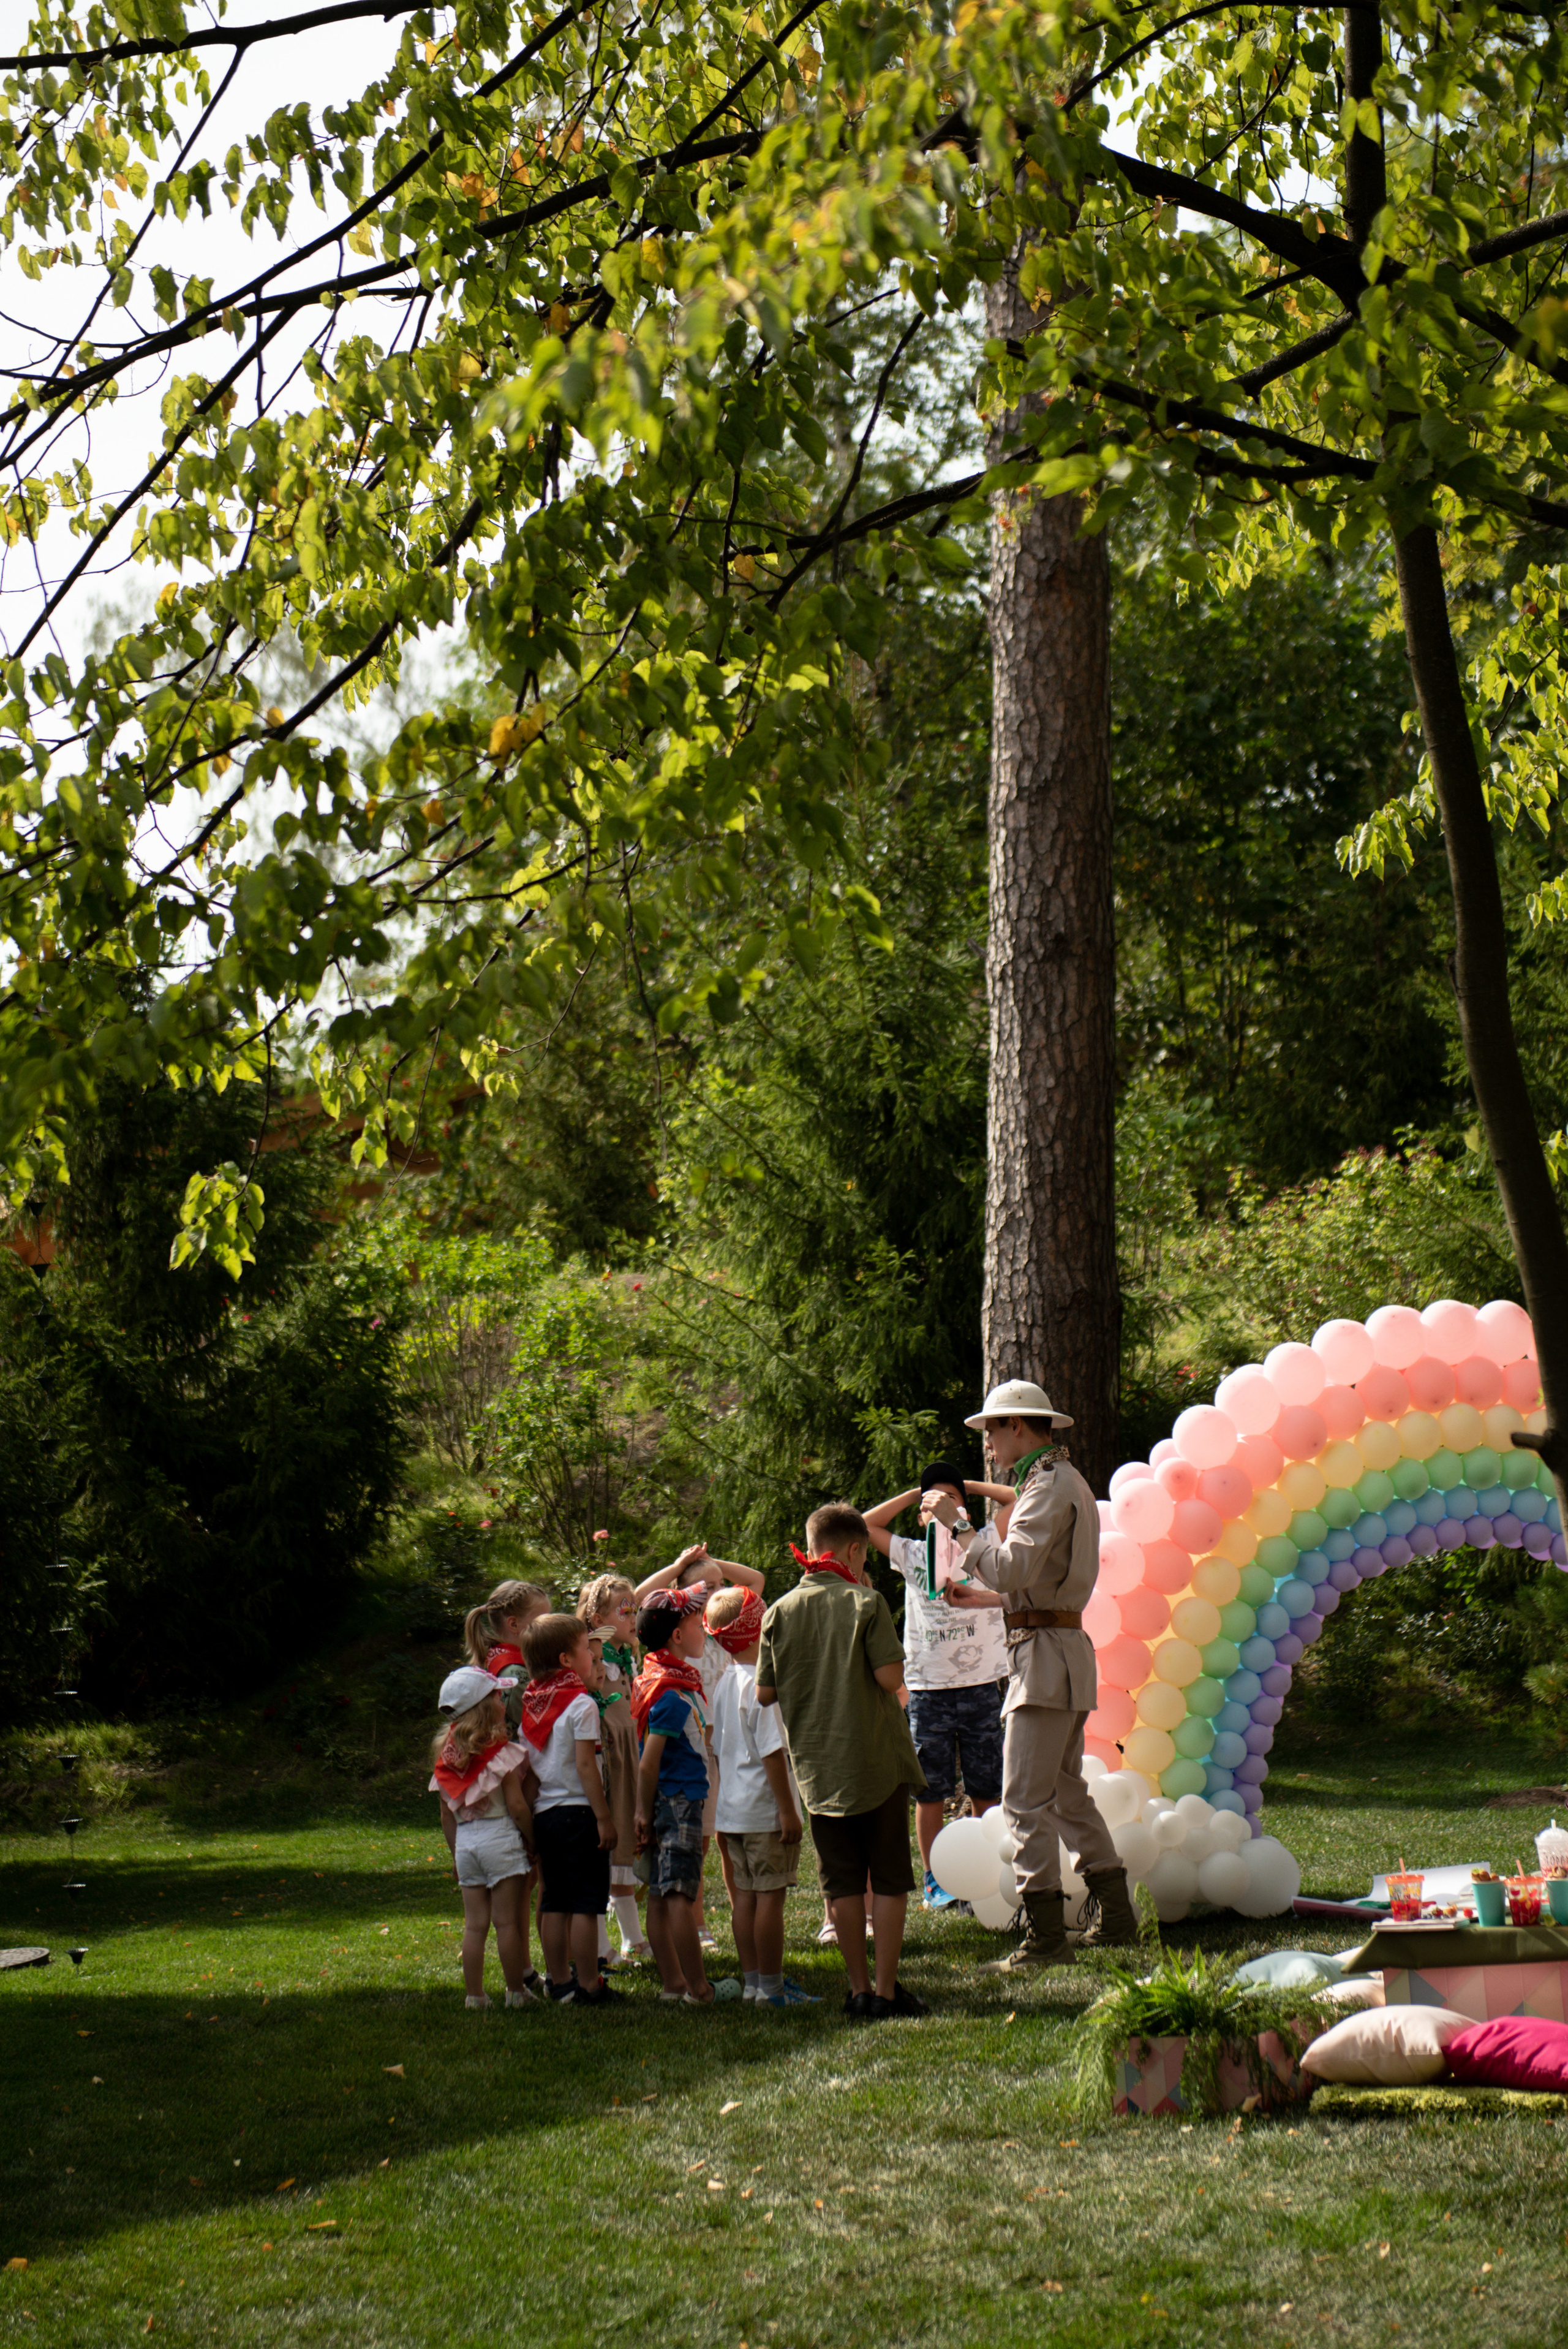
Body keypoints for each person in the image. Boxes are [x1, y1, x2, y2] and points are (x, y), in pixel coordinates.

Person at [924, 1379, 1139, 1970]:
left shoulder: (1046, 1486)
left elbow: (1012, 1565)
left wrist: (956, 1526)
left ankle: (1046, 1938)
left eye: (991, 1429)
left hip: (1044, 1655)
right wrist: (995, 1601)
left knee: (1021, 1802)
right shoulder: (1057, 1481)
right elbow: (1039, 1583)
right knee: (1067, 1794)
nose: (988, 1442)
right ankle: (1116, 1918)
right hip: (1055, 1645)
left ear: (1018, 1426)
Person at [755, 1502, 929, 2021]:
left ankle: (856, 1990)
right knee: (891, 1878)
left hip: (818, 1768)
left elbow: (765, 1693)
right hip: (874, 1762)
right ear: (856, 1551)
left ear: (811, 1550)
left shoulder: (778, 1611)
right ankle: (887, 1989)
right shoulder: (866, 1602)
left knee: (843, 1881)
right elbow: (890, 1680)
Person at [863, 1461, 1015, 1912]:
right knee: (931, 1791)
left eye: (951, 1503)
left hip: (982, 1682)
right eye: (933, 1505)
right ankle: (936, 1879)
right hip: (929, 1688)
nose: (941, 1509)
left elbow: (1014, 1498)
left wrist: (961, 1493)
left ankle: (987, 1872)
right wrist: (917, 1495)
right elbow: (864, 1525)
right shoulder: (910, 1552)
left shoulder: (983, 1541)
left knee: (987, 1786)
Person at [635, 1541, 766, 1947]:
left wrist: (712, 1567)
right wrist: (681, 1565)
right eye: (703, 1588)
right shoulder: (680, 1632)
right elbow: (639, 1602)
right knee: (698, 1842)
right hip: (693, 1748)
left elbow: (756, 1582)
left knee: (730, 1838)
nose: (712, 1593)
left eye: (717, 1586)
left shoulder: (722, 1630)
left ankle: (738, 1912)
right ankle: (695, 1926)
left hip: (729, 1745)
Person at [706, 1584, 818, 2010]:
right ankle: (771, 1990)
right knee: (770, 1899)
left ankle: (753, 1981)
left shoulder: (722, 1684)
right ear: (759, 1634)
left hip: (732, 1813)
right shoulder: (762, 1688)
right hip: (764, 1813)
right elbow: (773, 1753)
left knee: (745, 1898)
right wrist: (788, 1811)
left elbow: (718, 1746)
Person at [518, 1612, 622, 2006]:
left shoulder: (533, 1705)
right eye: (587, 1653)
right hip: (580, 1813)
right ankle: (590, 1986)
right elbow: (585, 1766)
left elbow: (530, 1773)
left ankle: (558, 1982)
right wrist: (604, 1817)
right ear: (565, 1660)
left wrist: (529, 1826)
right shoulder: (581, 1706)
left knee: (555, 1901)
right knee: (584, 1905)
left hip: (547, 1815)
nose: (593, 1661)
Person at [428, 1665, 539, 2010]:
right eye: (497, 1696)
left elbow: (447, 1814)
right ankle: (516, 1993)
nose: (503, 1700)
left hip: (466, 1842)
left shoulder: (447, 1760)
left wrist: (455, 1855)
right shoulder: (498, 1753)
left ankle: (474, 1995)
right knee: (506, 1923)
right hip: (500, 1838)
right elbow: (518, 1807)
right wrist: (532, 1841)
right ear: (485, 1707)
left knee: (475, 1926)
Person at [632, 1589, 721, 2004]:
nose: (703, 1627)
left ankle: (673, 1984)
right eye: (694, 1621)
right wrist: (641, 1812)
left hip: (669, 1799)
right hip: (679, 1800)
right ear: (677, 1636)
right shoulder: (670, 1692)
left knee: (660, 1893)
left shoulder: (658, 1680)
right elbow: (649, 1762)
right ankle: (698, 1988)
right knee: (681, 1895)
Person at [576, 1570, 651, 1962]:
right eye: (624, 1611)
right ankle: (603, 1945)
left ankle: (632, 1938)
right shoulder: (593, 1656)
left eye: (634, 1609)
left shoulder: (626, 1655)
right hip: (607, 1755)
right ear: (596, 1620)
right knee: (605, 1843)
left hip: (628, 1754)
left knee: (624, 1837)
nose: (633, 1617)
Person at [464, 1579, 552, 1681]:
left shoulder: (496, 1657)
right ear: (514, 1625)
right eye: (541, 1621)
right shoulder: (515, 1674)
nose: (549, 1626)